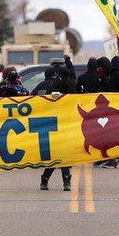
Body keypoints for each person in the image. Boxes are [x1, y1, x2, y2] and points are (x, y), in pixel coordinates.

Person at [40, 62, 76, 191]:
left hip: (55, 123)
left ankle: (45, 179)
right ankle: (66, 181)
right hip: (69, 122)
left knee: (57, 153)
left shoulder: (53, 87)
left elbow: (47, 102)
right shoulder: (73, 87)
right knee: (63, 153)